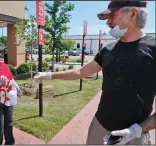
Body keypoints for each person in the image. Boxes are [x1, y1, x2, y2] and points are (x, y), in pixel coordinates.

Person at [34, 1, 156, 145]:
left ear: (133, 14)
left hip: (135, 135)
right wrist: (49, 75)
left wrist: (137, 130)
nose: (108, 22)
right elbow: (81, 71)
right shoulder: (108, 50)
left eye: (113, 15)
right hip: (100, 126)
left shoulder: (153, 48)